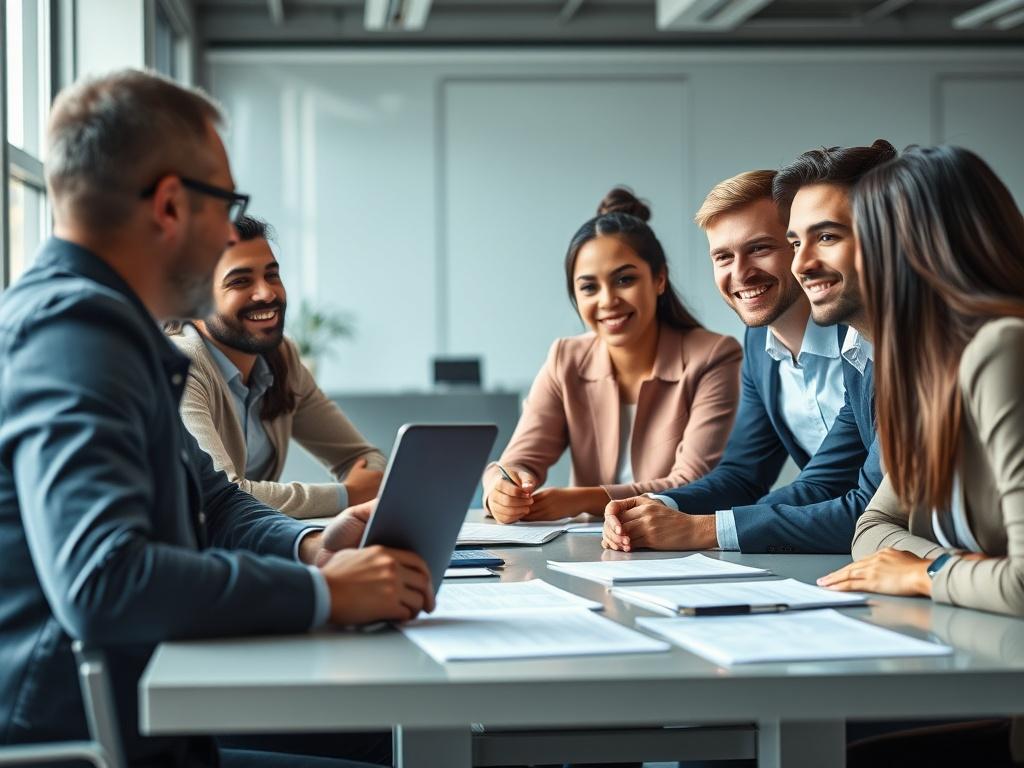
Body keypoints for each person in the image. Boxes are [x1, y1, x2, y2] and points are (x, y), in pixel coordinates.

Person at [0, 70, 433, 768]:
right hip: (91, 740)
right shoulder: (73, 335)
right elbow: (103, 580)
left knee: (396, 736)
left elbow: (215, 499)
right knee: (401, 742)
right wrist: (322, 594)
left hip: (152, 707)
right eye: (227, 203)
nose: (233, 230)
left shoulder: (112, 329)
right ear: (170, 205)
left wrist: (311, 547)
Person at [818, 146, 1024, 766]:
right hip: (974, 658)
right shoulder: (925, 372)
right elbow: (871, 528)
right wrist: (959, 567)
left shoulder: (1002, 349)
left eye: (863, 242)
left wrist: (924, 573)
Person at [603, 142, 893, 554]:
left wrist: (706, 530)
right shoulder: (763, 345)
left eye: (760, 247)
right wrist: (659, 509)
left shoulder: (865, 340)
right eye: (723, 256)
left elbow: (866, 502)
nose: (740, 273)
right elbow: (765, 476)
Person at [483, 187, 743, 523]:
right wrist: (502, 490)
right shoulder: (567, 357)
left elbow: (691, 483)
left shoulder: (713, 355)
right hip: (591, 552)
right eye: (589, 287)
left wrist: (581, 500)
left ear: (659, 279)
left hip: (679, 544)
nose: (607, 301)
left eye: (624, 279)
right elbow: (518, 459)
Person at [168, 215, 385, 519]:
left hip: (260, 547)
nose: (267, 293)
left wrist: (362, 489)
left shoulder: (281, 357)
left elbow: (363, 460)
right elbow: (220, 496)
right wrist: (345, 495)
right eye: (240, 281)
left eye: (272, 275)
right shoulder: (179, 366)